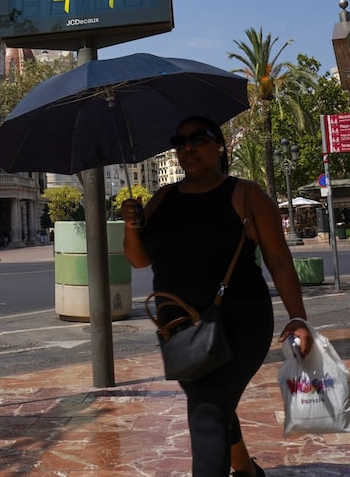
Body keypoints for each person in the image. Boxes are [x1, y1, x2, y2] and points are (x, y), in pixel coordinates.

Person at [121, 116, 311, 477]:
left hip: (240, 323)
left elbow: (279, 261)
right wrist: (132, 226)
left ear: (220, 145)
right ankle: (248, 472)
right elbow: (138, 259)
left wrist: (298, 318)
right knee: (210, 401)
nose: (187, 148)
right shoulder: (162, 198)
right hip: (178, 329)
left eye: (198, 139)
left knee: (207, 411)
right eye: (180, 141)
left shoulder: (246, 195)